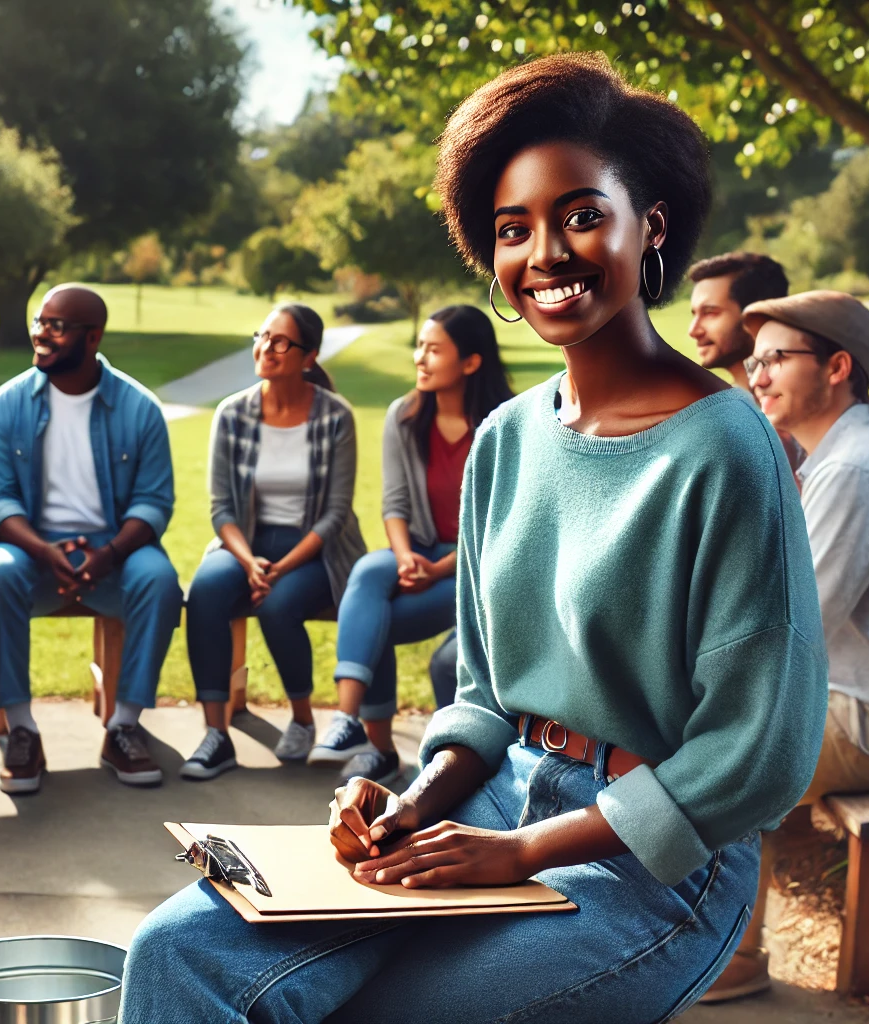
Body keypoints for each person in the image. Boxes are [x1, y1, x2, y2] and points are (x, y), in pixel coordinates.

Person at [122, 52, 827, 1022]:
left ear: (649, 225)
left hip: (656, 860)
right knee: (178, 952)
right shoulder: (507, 440)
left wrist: (526, 850)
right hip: (492, 797)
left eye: (581, 214)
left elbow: (761, 749)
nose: (544, 253)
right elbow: (488, 691)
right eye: (512, 228)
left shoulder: (725, 448)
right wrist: (412, 802)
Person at [705, 290, 869, 1001]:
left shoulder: (856, 468)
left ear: (837, 368)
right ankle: (706, 940)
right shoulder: (837, 458)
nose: (756, 375)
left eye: (776, 359)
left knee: (721, 749)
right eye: (754, 360)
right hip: (867, 706)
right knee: (706, 725)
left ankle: (724, 955)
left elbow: (796, 623)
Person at [0, 284, 183, 794]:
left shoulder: (140, 408)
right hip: (31, 551)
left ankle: (124, 726)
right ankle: (21, 730)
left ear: (93, 337)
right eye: (39, 322)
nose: (42, 334)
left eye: (57, 326)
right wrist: (46, 552)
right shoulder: (7, 404)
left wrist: (107, 555)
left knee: (159, 579)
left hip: (115, 550)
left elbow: (154, 503)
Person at [314, 305, 514, 784]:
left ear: (470, 362)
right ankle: (351, 724)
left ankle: (452, 765)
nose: (420, 359)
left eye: (433, 349)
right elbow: (395, 502)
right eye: (418, 347)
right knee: (370, 572)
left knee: (373, 622)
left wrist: (439, 569)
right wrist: (405, 556)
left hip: (476, 571)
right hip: (420, 551)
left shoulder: (506, 425)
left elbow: (499, 523)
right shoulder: (403, 417)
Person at [179, 303, 368, 782]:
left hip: (315, 546)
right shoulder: (232, 414)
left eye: (281, 341)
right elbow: (222, 508)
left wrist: (279, 569)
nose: (266, 348)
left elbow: (335, 514)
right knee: (204, 592)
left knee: (278, 604)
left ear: (309, 356)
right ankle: (215, 734)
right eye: (262, 336)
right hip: (245, 541)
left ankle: (303, 719)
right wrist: (249, 562)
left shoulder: (336, 417)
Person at [686, 252, 789, 393]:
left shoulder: (805, 402)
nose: (693, 331)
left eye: (710, 313)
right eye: (694, 314)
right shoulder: (723, 408)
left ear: (757, 317)